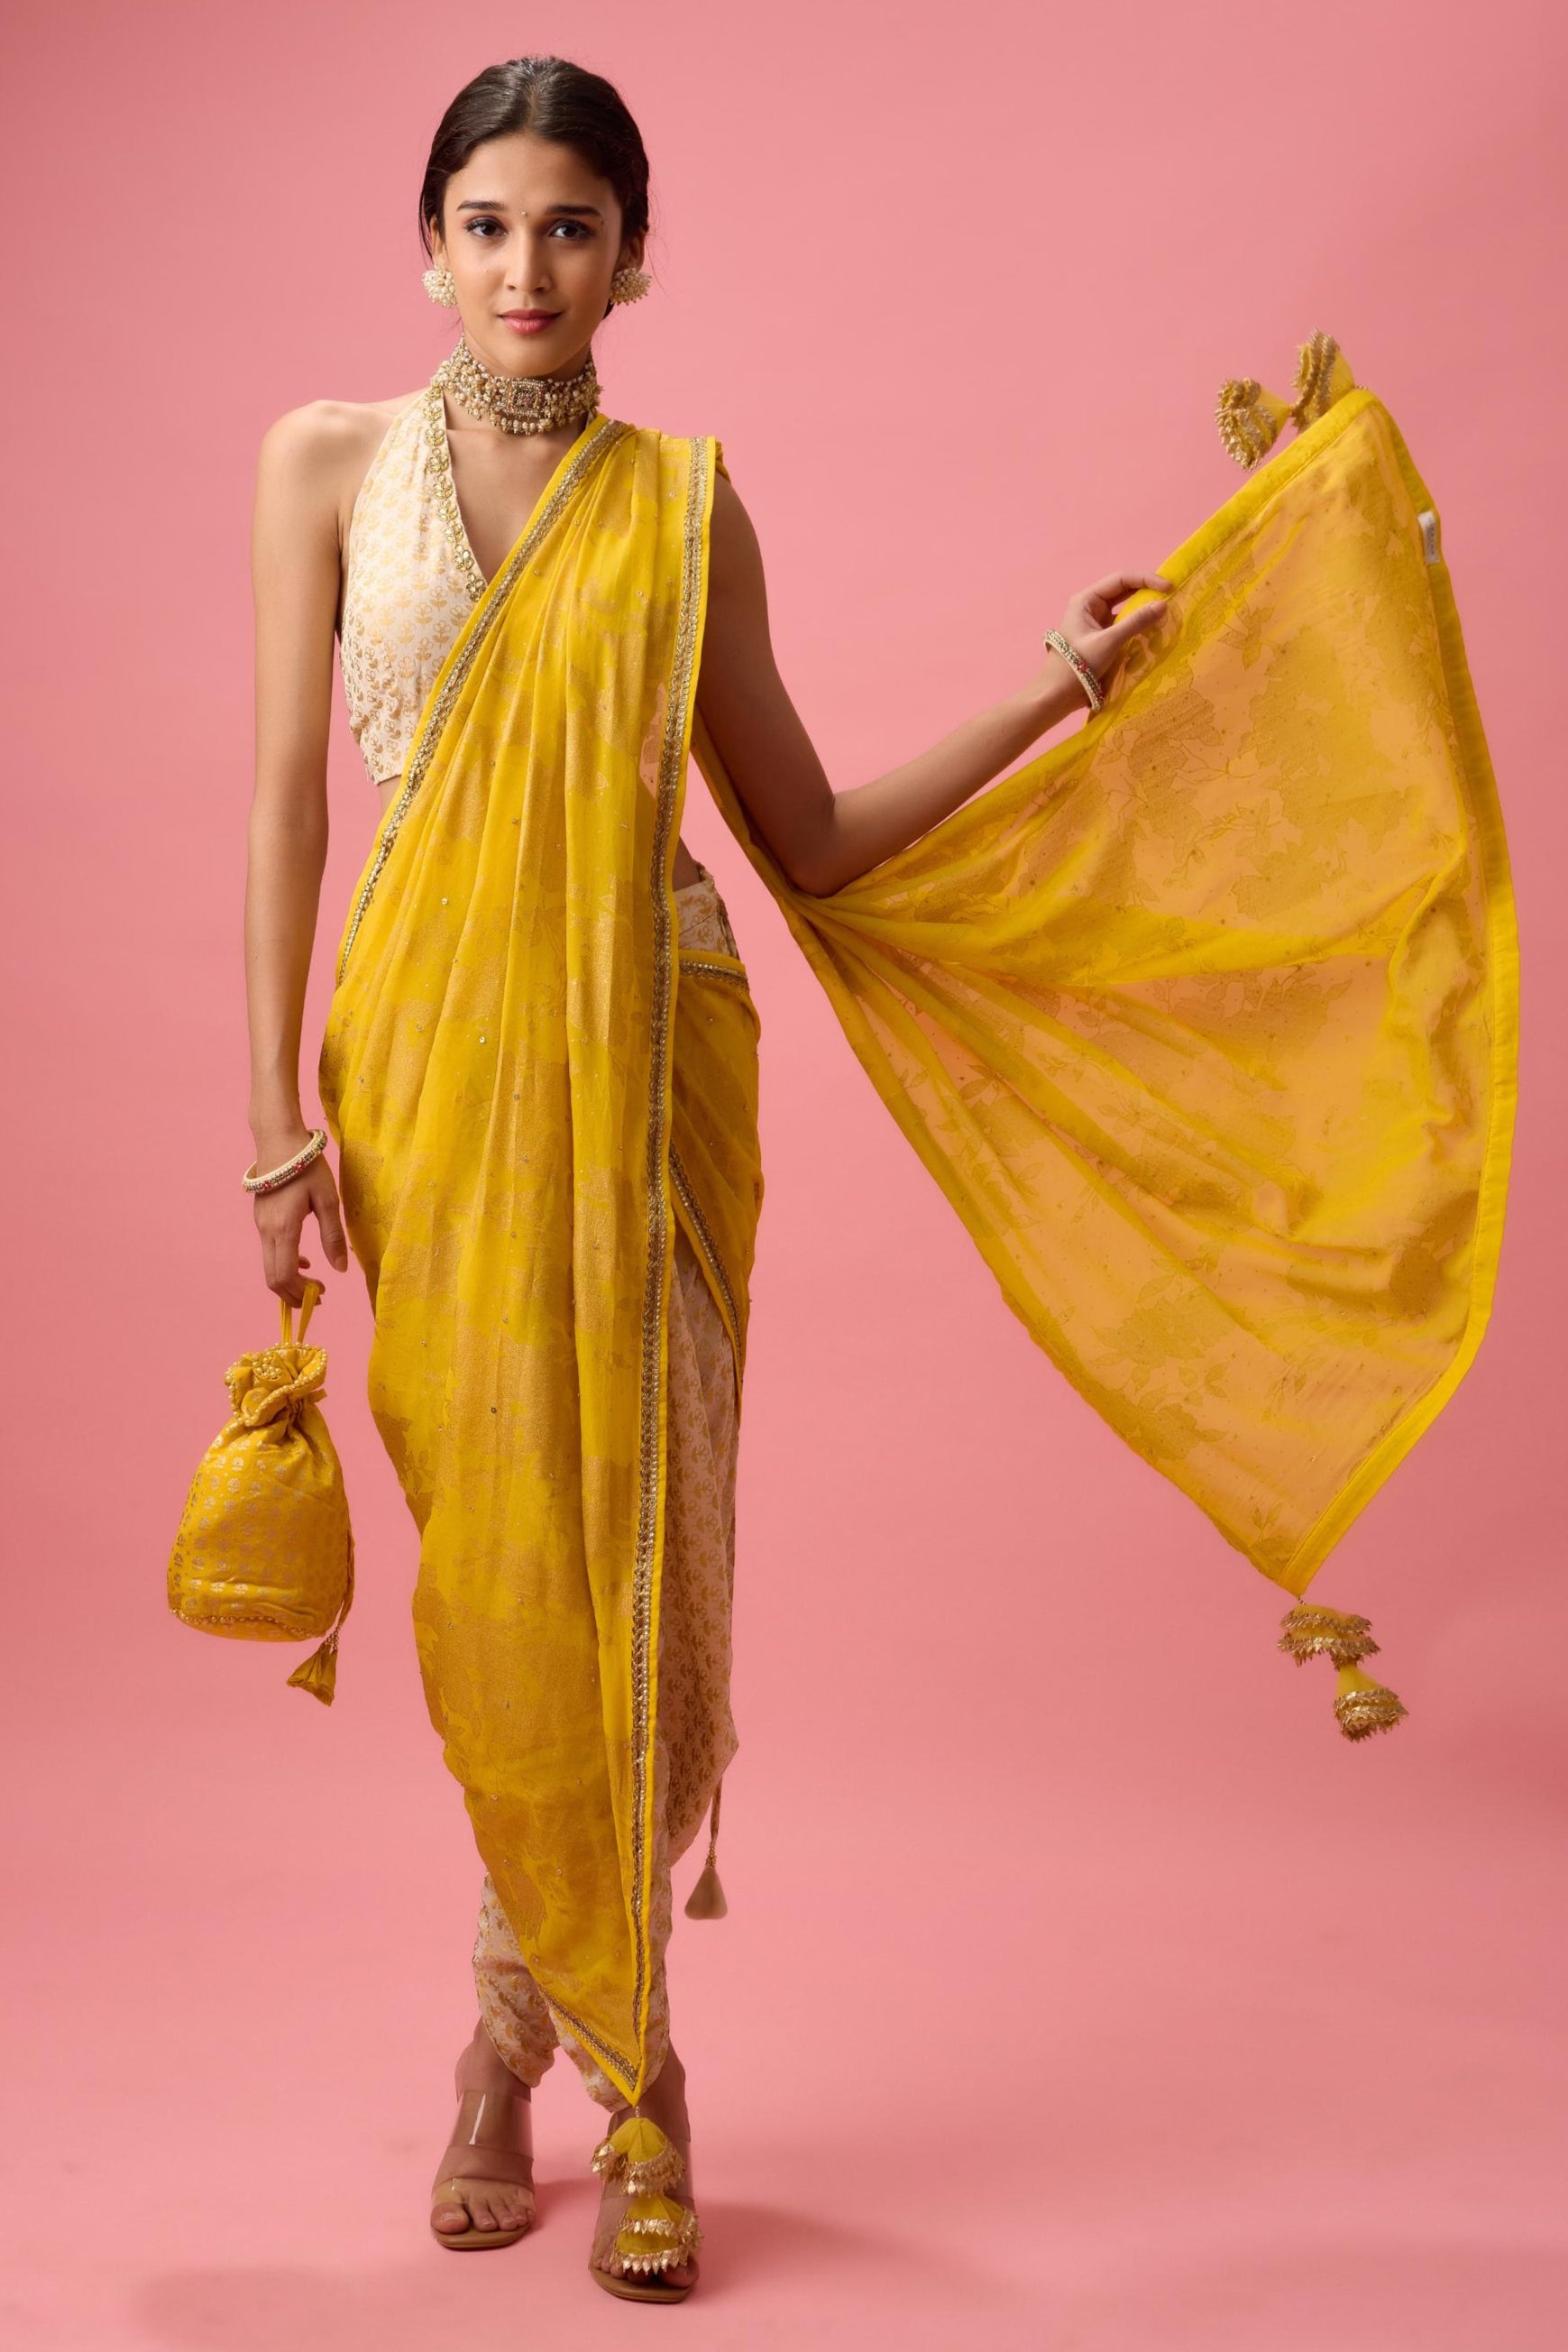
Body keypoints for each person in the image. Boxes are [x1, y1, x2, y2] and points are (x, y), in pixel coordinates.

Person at [243, 48, 1511, 2312]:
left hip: (651, 1068)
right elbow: (284, 809)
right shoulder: (323, 466)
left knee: (649, 1574)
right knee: (510, 1588)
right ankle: (508, 2028)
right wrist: (272, 1122)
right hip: (428, 1083)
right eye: (489, 225)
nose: (529, 268)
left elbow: (808, 836)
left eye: (572, 228)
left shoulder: (684, 507)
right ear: (426, 244)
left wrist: (1056, 686)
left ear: (637, 256)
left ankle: (631, 2070)